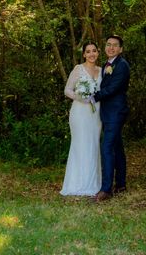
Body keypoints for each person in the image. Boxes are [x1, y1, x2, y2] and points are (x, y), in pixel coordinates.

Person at [60, 41, 102, 196]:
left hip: (95, 113)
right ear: (84, 54)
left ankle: (93, 183)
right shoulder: (78, 69)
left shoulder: (102, 71)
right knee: (80, 144)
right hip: (79, 112)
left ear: (98, 53)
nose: (91, 54)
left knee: (93, 144)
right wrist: (80, 97)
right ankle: (76, 183)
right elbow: (67, 90)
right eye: (88, 51)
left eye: (94, 51)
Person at [91, 35, 130, 202]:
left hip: (116, 112)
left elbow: (113, 88)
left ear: (120, 49)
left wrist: (94, 97)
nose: (111, 48)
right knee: (116, 146)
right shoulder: (106, 66)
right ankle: (120, 183)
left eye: (115, 45)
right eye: (108, 45)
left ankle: (106, 189)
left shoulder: (122, 65)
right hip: (107, 112)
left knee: (106, 147)